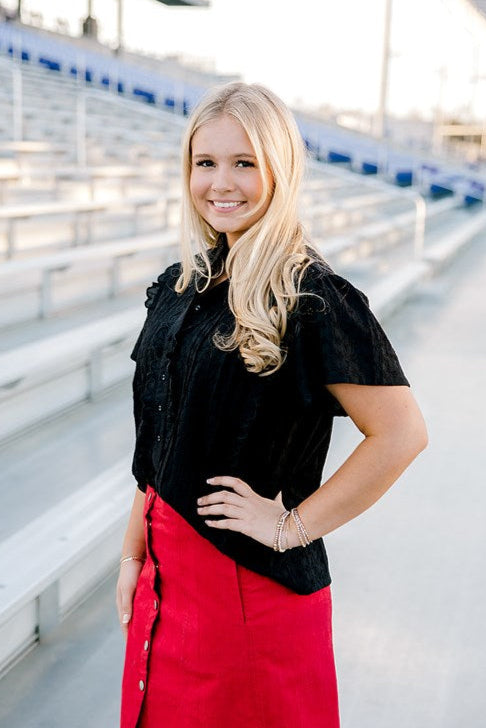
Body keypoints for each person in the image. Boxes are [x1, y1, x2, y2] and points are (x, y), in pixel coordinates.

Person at [117, 81, 428, 728]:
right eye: (206, 163)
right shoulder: (184, 287)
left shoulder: (310, 296)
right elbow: (157, 445)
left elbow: (401, 434)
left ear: (279, 170)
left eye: (244, 162)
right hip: (164, 584)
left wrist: (292, 526)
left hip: (248, 597)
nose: (220, 183)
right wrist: (132, 555)